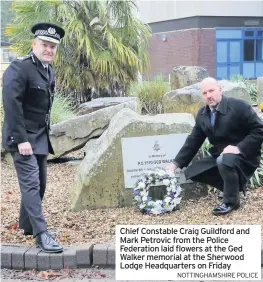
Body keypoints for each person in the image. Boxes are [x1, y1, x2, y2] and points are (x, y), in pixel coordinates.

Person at [2, 22, 65, 252]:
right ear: (34, 44)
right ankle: (41, 234)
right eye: (45, 45)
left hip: (39, 136)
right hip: (22, 137)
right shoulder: (20, 68)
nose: (49, 50)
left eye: (53, 47)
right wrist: (21, 140)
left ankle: (26, 225)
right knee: (30, 184)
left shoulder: (48, 70)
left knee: (40, 184)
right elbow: (11, 105)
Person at [166, 77, 263, 216]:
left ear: (220, 90)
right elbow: (194, 140)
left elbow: (259, 130)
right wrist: (175, 164)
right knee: (192, 172)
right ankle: (234, 188)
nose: (208, 96)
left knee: (224, 160)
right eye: (205, 93)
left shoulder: (238, 106)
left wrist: (239, 148)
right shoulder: (202, 114)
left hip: (245, 155)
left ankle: (231, 201)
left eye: (211, 91)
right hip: (221, 155)